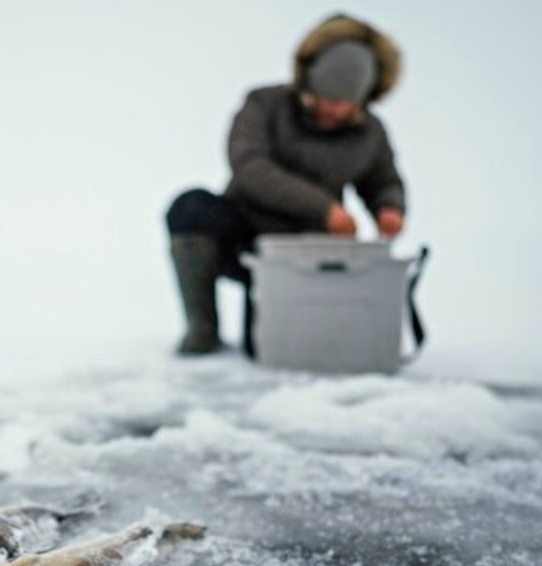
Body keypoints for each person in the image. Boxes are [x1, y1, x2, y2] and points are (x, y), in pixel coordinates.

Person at [166, 13, 407, 355]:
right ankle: (202, 331)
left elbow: (383, 178)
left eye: (346, 102)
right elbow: (249, 166)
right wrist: (324, 208)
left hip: (307, 253)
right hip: (245, 237)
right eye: (329, 97)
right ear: (310, 84)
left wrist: (390, 208)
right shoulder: (264, 105)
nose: (336, 109)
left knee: (270, 349)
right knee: (190, 208)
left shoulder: (370, 132)